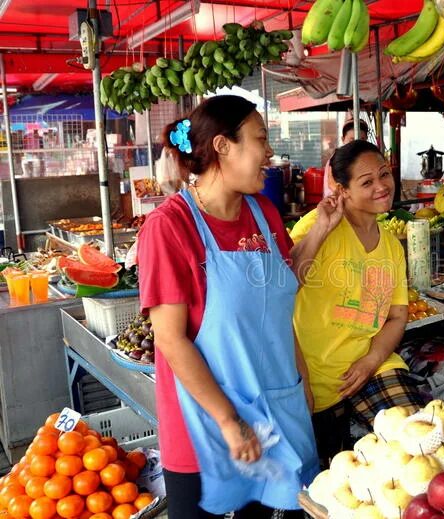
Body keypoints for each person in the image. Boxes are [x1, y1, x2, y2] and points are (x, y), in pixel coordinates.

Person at [137, 95, 318, 518]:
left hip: (278, 413)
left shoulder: (264, 213)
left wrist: (303, 379)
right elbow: (169, 339)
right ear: (222, 146)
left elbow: (278, 303)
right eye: (260, 139)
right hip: (210, 431)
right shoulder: (169, 227)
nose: (270, 152)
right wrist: (227, 420)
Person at [290, 140, 425, 464]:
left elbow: (396, 316)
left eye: (384, 175)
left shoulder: (392, 245)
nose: (382, 186)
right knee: (331, 480)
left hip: (373, 365)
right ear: (343, 190)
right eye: (367, 182)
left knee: (419, 443)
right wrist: (323, 226)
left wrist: (372, 360)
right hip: (317, 378)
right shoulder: (316, 226)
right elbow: (284, 286)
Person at [322, 119, 369, 198]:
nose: (357, 144)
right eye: (352, 140)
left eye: (362, 140)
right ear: (343, 139)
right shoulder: (336, 161)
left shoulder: (369, 158)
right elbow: (332, 188)